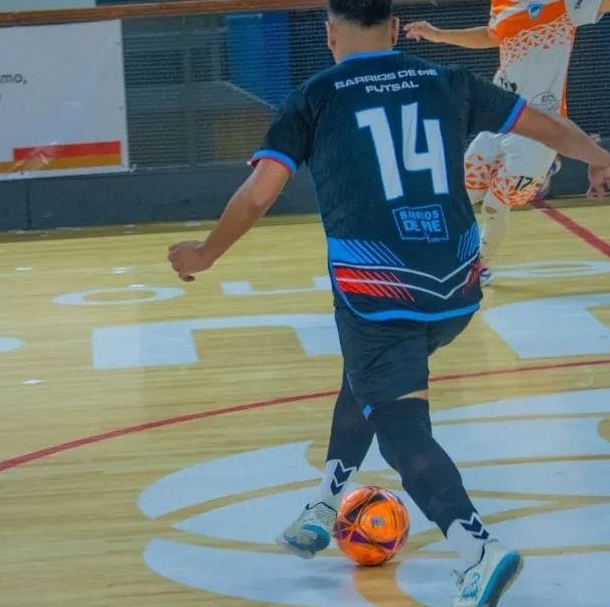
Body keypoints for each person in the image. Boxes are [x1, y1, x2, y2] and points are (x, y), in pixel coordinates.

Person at [165, 0, 610, 605]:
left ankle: (478, 550)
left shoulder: (315, 96)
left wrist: (206, 253)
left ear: (328, 34)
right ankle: (326, 502)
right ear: (396, 29)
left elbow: (259, 193)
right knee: (367, 376)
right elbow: (536, 122)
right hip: (457, 288)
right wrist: (600, 156)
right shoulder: (446, 80)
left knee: (402, 428)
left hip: (379, 296)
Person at [404, 0, 609, 284]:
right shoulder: (502, 4)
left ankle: (478, 268)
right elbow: (491, 35)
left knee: (495, 204)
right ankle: (433, 258)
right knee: (460, 194)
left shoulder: (564, 4)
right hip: (500, 116)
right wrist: (438, 34)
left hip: (541, 125)